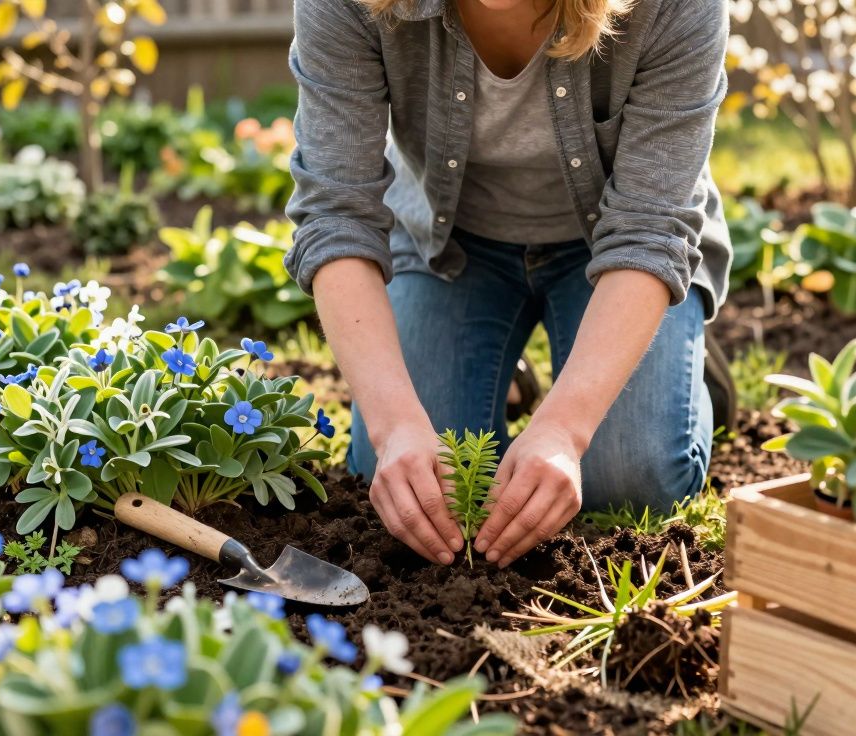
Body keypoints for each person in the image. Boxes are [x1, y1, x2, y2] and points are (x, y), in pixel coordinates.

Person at [284, 0, 732, 568]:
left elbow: (649, 230)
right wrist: (394, 427)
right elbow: (337, 214)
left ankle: (674, 353)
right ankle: (514, 380)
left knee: (630, 478)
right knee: (409, 484)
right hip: (450, 246)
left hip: (618, 248)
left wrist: (567, 432)